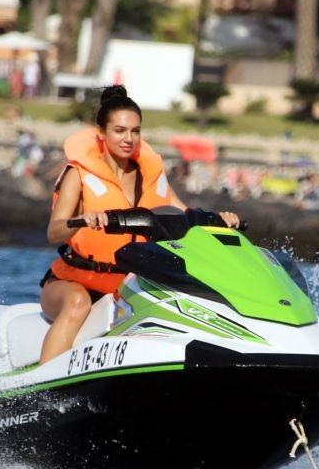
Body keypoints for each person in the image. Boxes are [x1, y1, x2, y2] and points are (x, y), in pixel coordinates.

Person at [39, 85, 238, 364]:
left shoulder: (151, 175)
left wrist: (220, 220)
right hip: (74, 282)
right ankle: (42, 382)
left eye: (135, 131)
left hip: (129, 283)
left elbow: (184, 215)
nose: (129, 138)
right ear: (101, 132)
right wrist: (82, 220)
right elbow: (54, 231)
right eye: (120, 131)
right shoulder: (79, 174)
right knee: (78, 303)